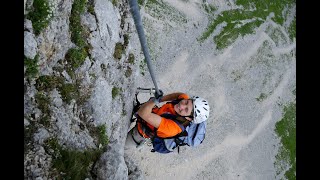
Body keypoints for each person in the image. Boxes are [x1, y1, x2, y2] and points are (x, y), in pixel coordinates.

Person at [125, 91, 210, 149]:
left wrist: (155, 100)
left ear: (189, 118)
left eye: (186, 110)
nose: (181, 106)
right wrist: (161, 99)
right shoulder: (183, 99)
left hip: (140, 133)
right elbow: (179, 95)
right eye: (186, 102)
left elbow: (143, 113)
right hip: (150, 113)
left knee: (121, 145)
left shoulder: (172, 128)